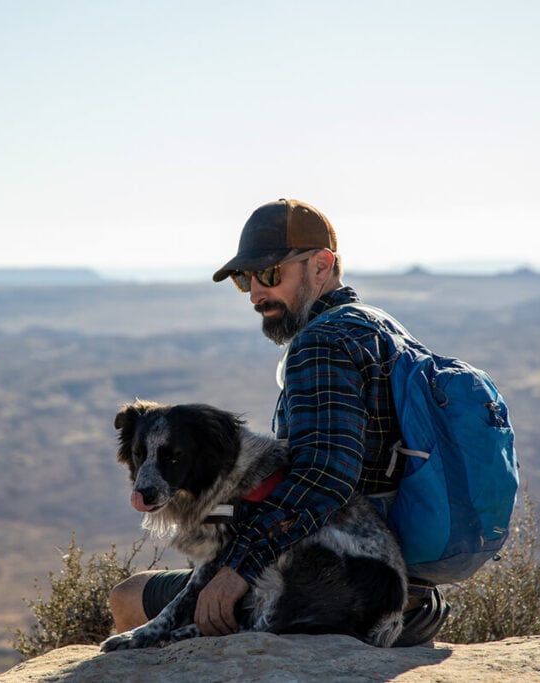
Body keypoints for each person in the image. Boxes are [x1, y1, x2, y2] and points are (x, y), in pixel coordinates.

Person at [109, 198, 449, 646]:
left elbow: (325, 476)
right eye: (243, 280)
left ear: (321, 266)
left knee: (129, 597)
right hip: (412, 595)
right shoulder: (379, 326)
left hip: (336, 593)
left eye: (270, 275)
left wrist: (238, 570)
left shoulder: (321, 345)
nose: (255, 293)